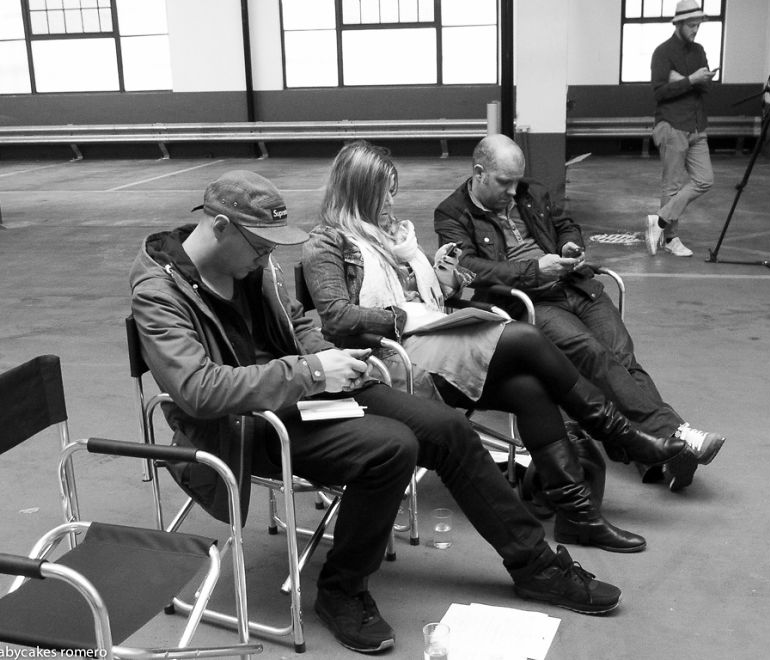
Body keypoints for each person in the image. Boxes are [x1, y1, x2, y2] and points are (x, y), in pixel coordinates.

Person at [129, 169, 622, 655]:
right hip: (244, 427)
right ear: (220, 227)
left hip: (301, 392)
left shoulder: (254, 265)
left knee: (449, 428)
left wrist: (333, 360)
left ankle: (536, 566)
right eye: (260, 245)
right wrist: (313, 372)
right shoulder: (159, 292)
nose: (267, 255)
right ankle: (341, 589)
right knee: (390, 448)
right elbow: (198, 390)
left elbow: (297, 325)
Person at [302, 140, 703, 556]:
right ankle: (622, 436)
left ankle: (578, 517)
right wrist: (405, 316)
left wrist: (445, 281)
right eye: (384, 193)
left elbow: (427, 296)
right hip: (392, 363)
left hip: (431, 340)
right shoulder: (326, 243)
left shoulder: (394, 237)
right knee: (527, 337)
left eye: (393, 191)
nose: (391, 201)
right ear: (359, 192)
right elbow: (338, 318)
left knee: (529, 389)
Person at [434, 133, 725, 491]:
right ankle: (677, 434)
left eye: (516, 181)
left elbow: (566, 225)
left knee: (622, 357)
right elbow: (469, 268)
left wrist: (570, 245)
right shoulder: (452, 213)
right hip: (529, 302)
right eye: (504, 182)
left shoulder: (532, 192)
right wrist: (534, 271)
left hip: (576, 286)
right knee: (593, 355)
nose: (513, 191)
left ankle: (657, 456)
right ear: (479, 173)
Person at [645, 0, 717, 258]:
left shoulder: (699, 50)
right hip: (672, 124)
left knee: (705, 180)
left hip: (697, 125)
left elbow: (706, 86)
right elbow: (659, 91)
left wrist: (684, 79)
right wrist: (691, 80)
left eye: (698, 25)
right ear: (678, 24)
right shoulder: (662, 53)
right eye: (691, 25)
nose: (695, 30)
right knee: (672, 186)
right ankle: (670, 239)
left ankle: (660, 220)